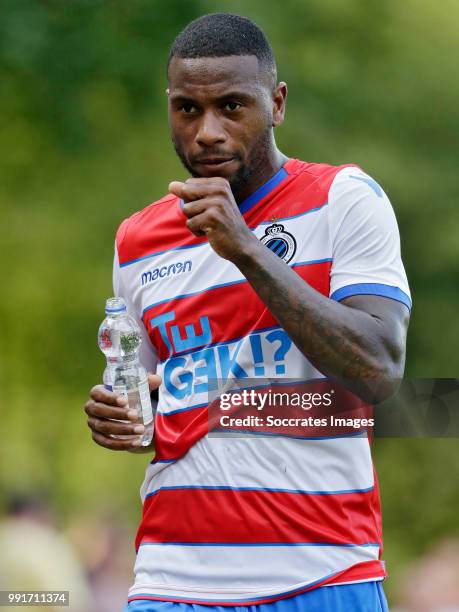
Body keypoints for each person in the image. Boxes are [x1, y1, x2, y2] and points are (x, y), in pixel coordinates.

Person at [84, 12, 411, 612]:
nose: (207, 131)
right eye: (187, 109)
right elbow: (164, 399)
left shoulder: (344, 199)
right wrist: (126, 414)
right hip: (170, 579)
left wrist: (248, 251)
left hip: (322, 573)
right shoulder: (136, 241)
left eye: (232, 107)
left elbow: (378, 369)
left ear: (277, 103)